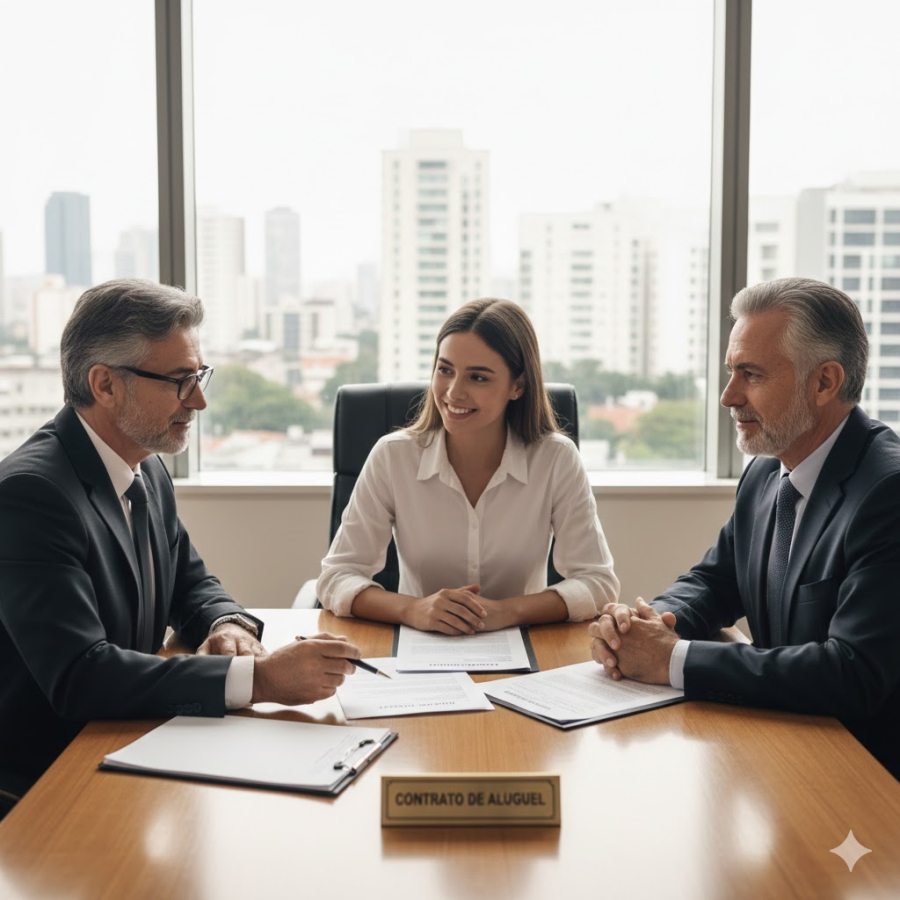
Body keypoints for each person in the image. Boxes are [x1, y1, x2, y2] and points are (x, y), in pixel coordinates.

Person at [0, 279, 361, 813]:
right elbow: (81, 675)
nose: (200, 399)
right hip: (51, 780)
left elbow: (190, 582)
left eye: (199, 375)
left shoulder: (144, 464)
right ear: (104, 385)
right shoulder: (31, 495)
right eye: (179, 380)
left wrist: (226, 625)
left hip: (128, 738)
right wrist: (258, 679)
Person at [589, 277, 900, 779]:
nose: (728, 396)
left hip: (862, 776)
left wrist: (674, 659)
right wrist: (645, 626)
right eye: (731, 372)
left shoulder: (887, 493)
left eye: (750, 374)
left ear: (824, 382)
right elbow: (716, 580)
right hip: (784, 744)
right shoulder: (766, 470)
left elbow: (854, 673)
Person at [317, 298, 619, 635]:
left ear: (517, 386)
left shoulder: (555, 459)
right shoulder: (393, 457)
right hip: (419, 651)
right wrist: (414, 609)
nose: (453, 392)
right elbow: (336, 576)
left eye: (478, 378)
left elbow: (598, 582)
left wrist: (507, 611)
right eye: (445, 370)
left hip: (527, 654)